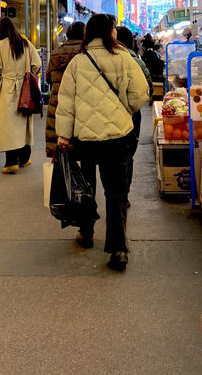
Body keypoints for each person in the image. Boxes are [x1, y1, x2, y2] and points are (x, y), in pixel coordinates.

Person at [56, 14, 149, 270]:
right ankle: (118, 249)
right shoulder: (124, 58)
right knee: (116, 193)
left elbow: (66, 103)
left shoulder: (78, 61)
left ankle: (86, 233)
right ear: (109, 32)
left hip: (84, 139)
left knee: (84, 187)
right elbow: (141, 92)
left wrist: (63, 134)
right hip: (117, 137)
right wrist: (125, 111)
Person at [0, 17, 42, 173]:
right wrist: (28, 75)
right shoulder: (25, 44)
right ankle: (25, 158)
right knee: (24, 122)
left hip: (7, 89)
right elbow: (37, 64)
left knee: (7, 126)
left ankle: (11, 162)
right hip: (25, 89)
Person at [115, 26, 153, 199]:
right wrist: (132, 106)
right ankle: (123, 194)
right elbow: (147, 89)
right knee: (127, 155)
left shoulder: (94, 59)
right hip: (131, 115)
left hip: (108, 115)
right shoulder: (135, 60)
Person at [45, 22, 85, 158]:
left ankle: (64, 178)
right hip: (80, 100)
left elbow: (48, 78)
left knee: (61, 148)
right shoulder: (85, 54)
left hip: (57, 102)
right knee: (82, 149)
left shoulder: (55, 53)